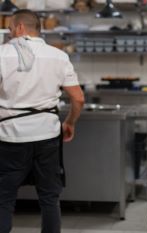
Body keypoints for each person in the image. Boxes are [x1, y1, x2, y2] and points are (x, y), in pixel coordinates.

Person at [0, 9, 84, 233]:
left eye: (9, 30)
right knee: (49, 197)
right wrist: (70, 123)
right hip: (47, 135)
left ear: (18, 28)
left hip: (10, 136)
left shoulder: (1, 54)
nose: (8, 35)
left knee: (4, 198)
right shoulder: (58, 55)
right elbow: (78, 97)